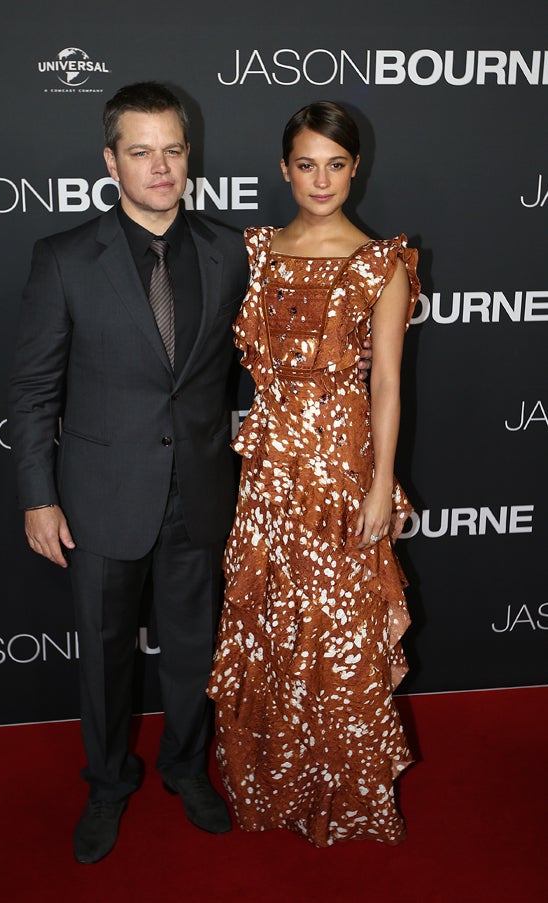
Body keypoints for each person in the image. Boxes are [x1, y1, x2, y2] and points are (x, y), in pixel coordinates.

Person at [8, 81, 250, 864]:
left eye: (172, 149)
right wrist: (38, 497)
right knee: (105, 657)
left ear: (190, 155)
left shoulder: (228, 249)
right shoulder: (65, 257)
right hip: (101, 498)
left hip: (201, 494)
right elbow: (36, 388)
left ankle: (186, 765)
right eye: (141, 151)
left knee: (194, 650)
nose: (160, 166)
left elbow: (246, 377)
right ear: (111, 159)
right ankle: (108, 782)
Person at [208, 101, 420, 847]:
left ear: (355, 167)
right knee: (271, 623)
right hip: (268, 469)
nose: (321, 179)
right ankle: (274, 781)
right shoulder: (257, 250)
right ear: (284, 169)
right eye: (306, 164)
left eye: (336, 163)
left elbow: (388, 384)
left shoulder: (380, 260)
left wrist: (380, 484)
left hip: (340, 468)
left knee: (335, 632)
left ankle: (344, 793)